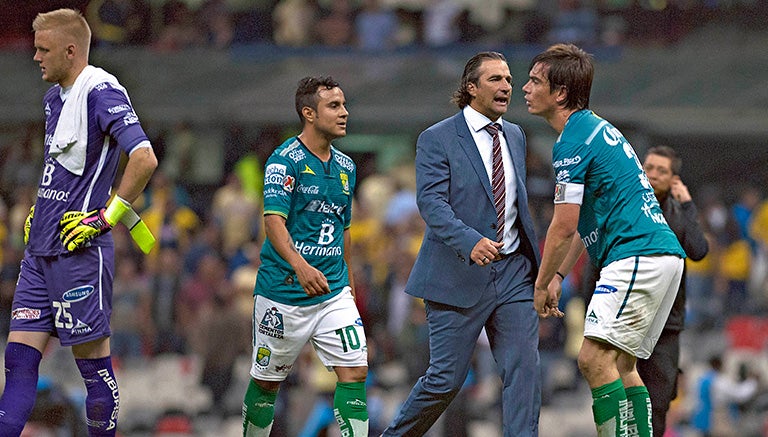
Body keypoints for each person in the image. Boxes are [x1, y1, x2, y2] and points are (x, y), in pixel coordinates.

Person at [0, 8, 158, 436]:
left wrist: (107, 217)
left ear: (71, 51)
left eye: (43, 49)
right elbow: (64, 168)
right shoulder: (55, 99)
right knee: (17, 362)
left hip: (79, 251)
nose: (35, 57)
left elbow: (144, 159)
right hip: (40, 251)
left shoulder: (101, 92)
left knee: (94, 373)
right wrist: (41, 207)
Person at [523, 43, 685, 437]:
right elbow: (584, 222)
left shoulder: (572, 141)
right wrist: (561, 273)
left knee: (593, 360)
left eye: (534, 80)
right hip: (658, 256)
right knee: (622, 366)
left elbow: (562, 226)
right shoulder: (597, 128)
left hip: (636, 254)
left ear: (560, 93)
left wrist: (542, 283)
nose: (524, 88)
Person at [382, 51, 542, 436]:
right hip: (457, 272)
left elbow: (515, 203)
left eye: (508, 79)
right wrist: (470, 242)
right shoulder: (437, 138)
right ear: (471, 88)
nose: (506, 86)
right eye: (495, 80)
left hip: (513, 273)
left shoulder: (516, 135)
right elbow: (432, 204)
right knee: (444, 381)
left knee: (524, 368)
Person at [241, 76, 368, 436]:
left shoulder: (346, 166)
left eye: (343, 105)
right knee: (266, 383)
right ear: (308, 113)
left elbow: (344, 235)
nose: (344, 112)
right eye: (334, 106)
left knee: (356, 370)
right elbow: (273, 223)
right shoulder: (284, 161)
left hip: (333, 290)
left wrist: (350, 291)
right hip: (283, 292)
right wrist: (301, 266)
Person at [639, 145, 709, 436]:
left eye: (662, 171)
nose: (653, 174)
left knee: (659, 400)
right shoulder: (624, 204)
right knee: (622, 399)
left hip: (667, 323)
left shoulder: (680, 213)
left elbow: (699, 250)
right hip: (626, 318)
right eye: (649, 167)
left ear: (674, 180)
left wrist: (688, 205)